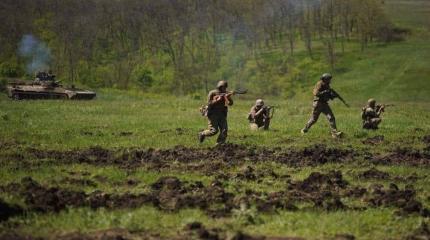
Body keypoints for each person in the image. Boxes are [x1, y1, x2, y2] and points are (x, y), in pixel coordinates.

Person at [301, 73, 343, 138]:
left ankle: (334, 133)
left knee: (331, 117)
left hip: (324, 104)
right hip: (318, 104)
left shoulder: (327, 85)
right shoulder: (319, 84)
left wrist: (333, 96)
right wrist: (325, 92)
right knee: (314, 119)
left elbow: (329, 96)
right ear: (325, 79)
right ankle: (304, 129)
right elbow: (315, 93)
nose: (330, 81)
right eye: (328, 79)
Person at [198, 80, 233, 144]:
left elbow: (230, 103)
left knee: (224, 130)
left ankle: (219, 144)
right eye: (223, 87)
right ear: (219, 87)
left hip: (222, 114)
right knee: (214, 131)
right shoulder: (212, 93)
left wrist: (228, 98)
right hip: (213, 114)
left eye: (225, 87)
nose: (224, 88)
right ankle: (202, 133)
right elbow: (209, 103)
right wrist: (217, 100)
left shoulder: (226, 93)